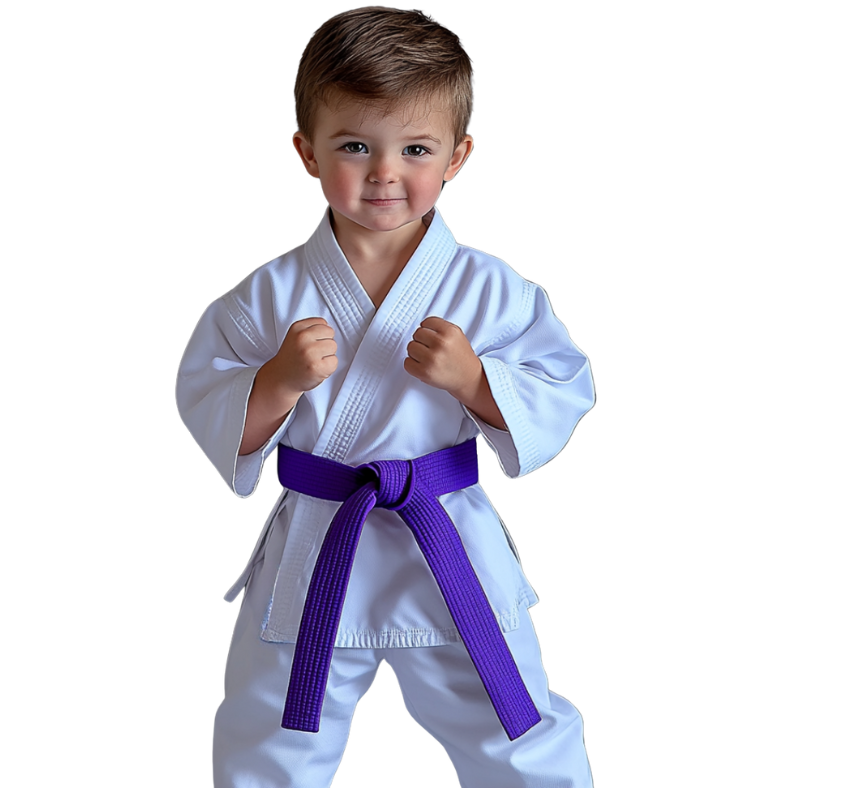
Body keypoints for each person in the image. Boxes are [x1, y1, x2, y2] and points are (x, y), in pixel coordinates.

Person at [176, 7, 595, 786]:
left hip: (448, 548)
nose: (384, 173)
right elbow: (204, 396)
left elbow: (563, 386)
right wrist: (275, 384)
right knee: (269, 745)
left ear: (458, 157)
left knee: (518, 736)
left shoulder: (489, 289)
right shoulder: (267, 297)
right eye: (355, 146)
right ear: (305, 153)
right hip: (315, 547)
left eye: (416, 149)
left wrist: (476, 382)